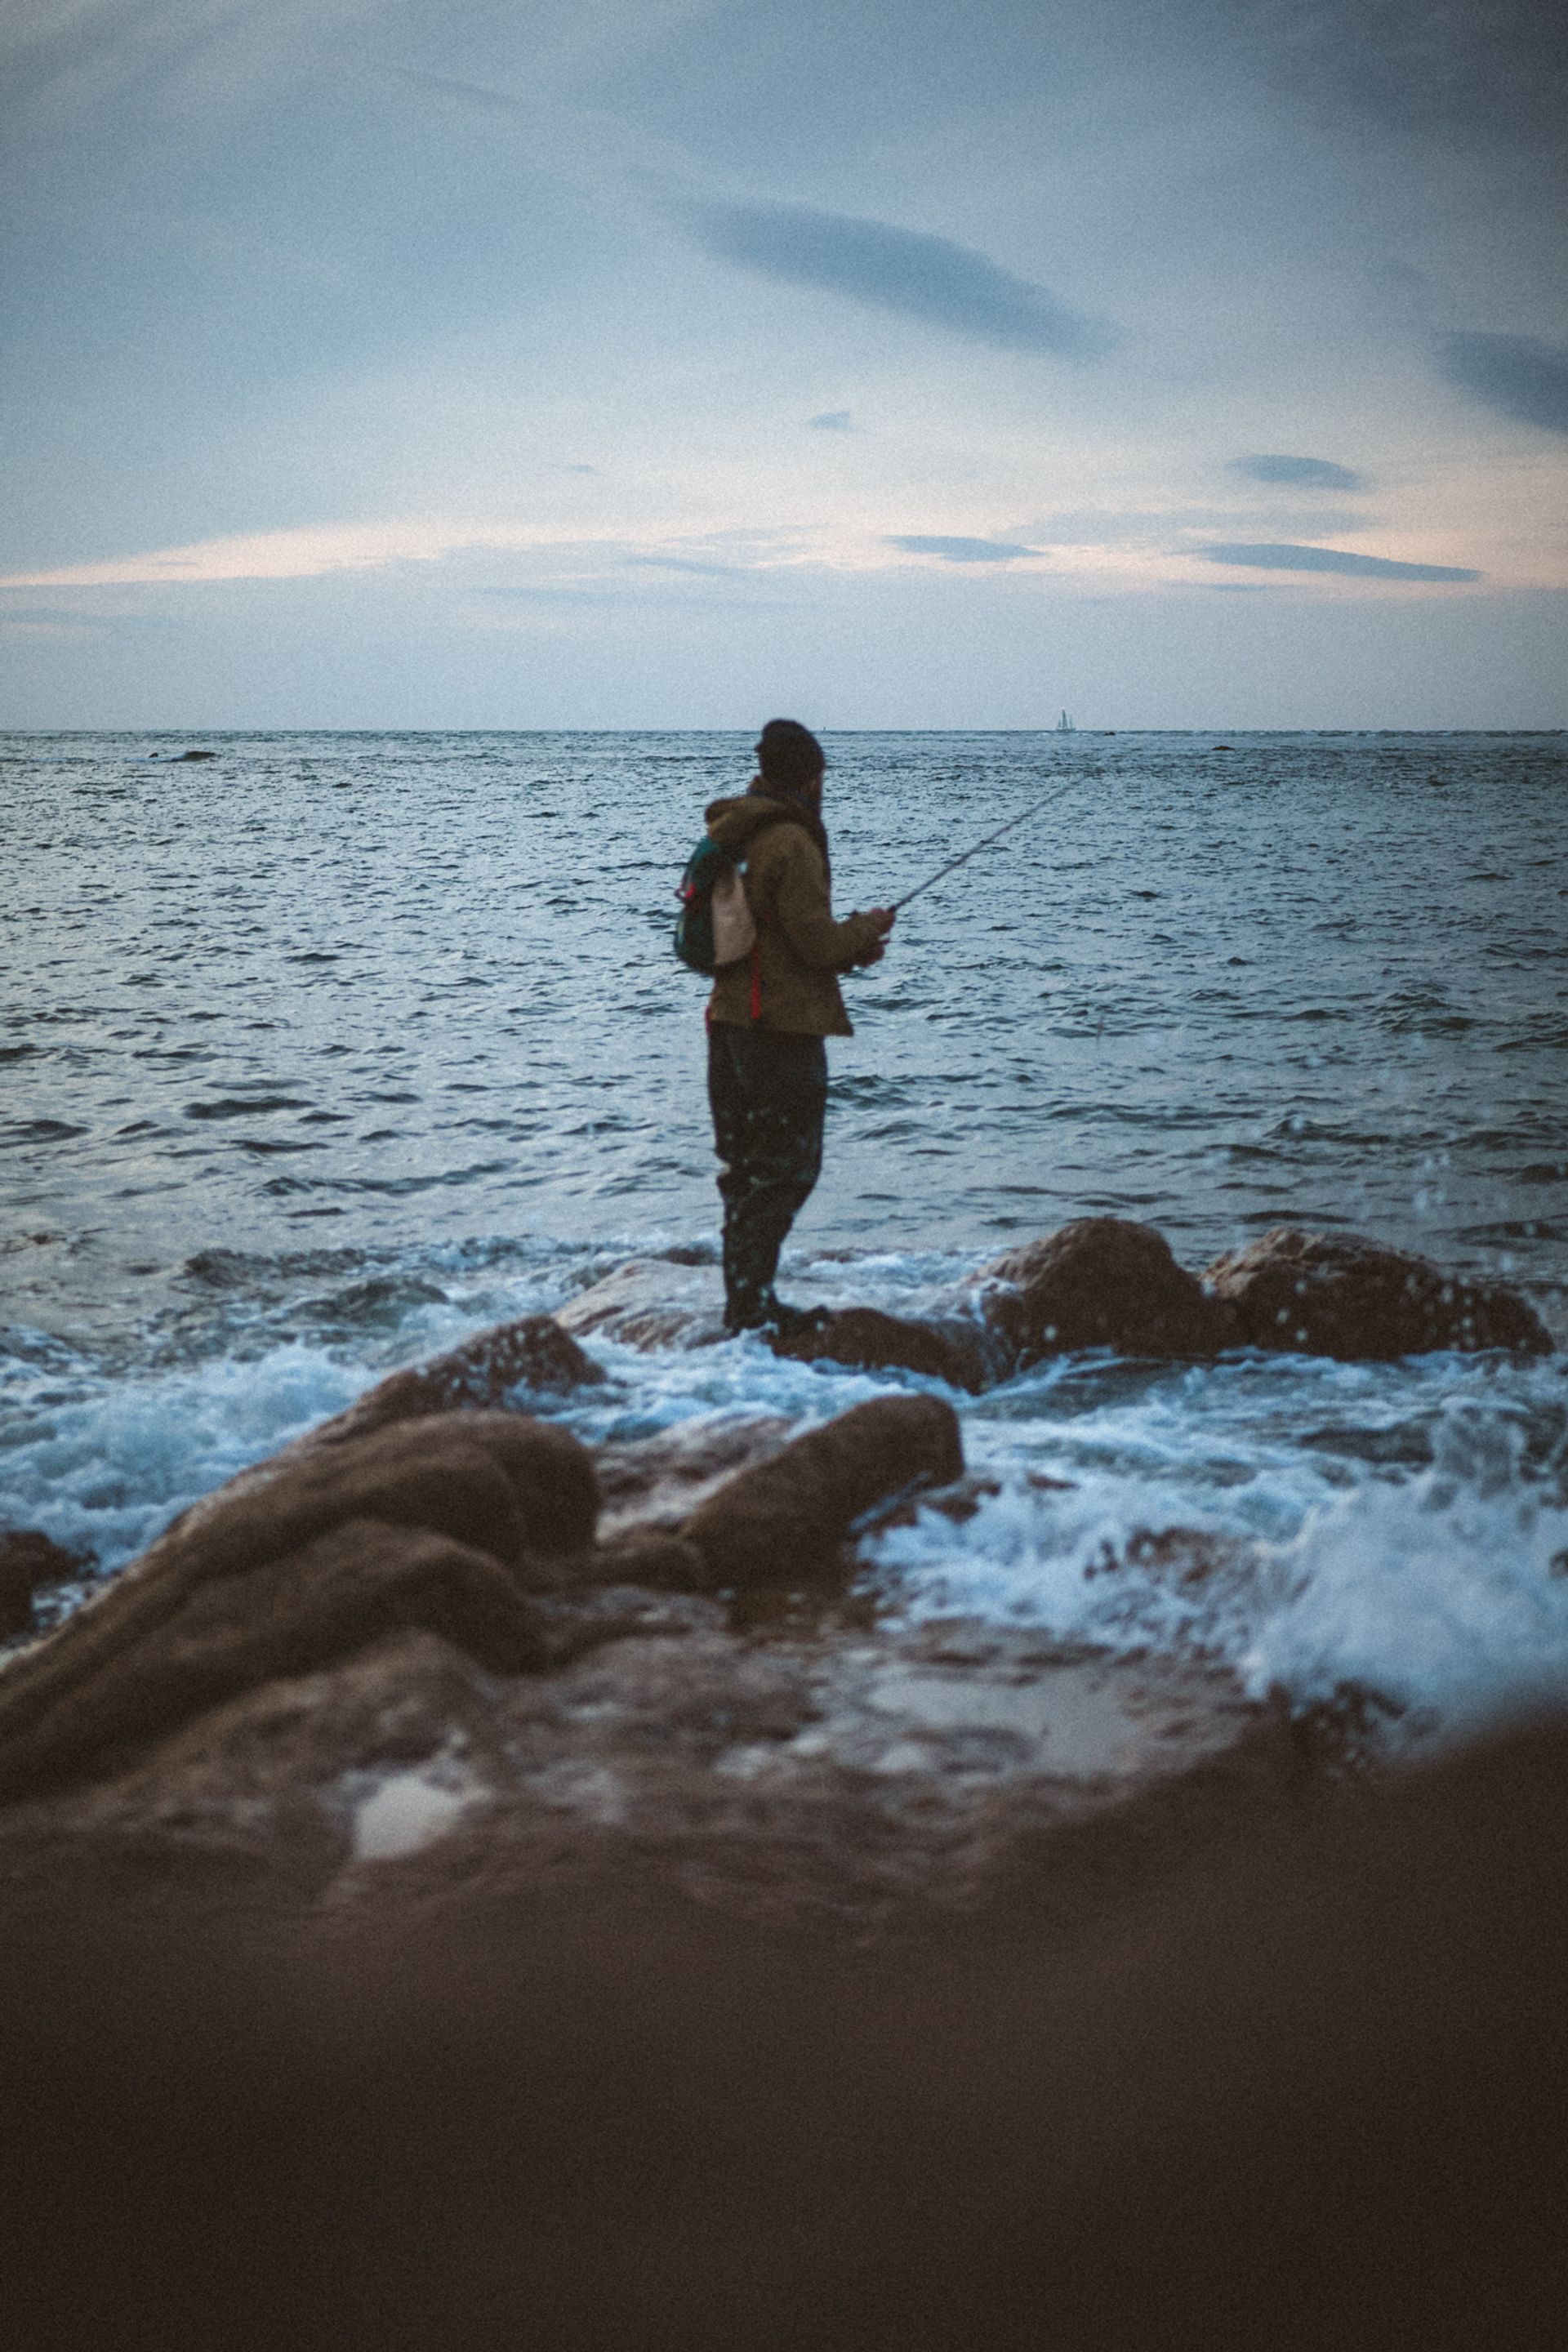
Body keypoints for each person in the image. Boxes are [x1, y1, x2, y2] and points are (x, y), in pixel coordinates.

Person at [703, 719, 895, 1336]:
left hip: (728, 1021)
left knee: (743, 1169)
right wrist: (865, 929)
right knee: (786, 1171)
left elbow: (777, 937)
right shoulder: (791, 841)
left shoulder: (736, 832)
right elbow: (815, 944)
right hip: (778, 1030)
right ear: (811, 777)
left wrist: (848, 948)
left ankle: (746, 1306)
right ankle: (752, 1308)